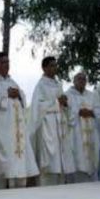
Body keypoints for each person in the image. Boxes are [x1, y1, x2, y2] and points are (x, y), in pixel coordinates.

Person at [0, 52, 39, 188]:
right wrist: (6, 93)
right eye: (3, 62)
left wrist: (19, 95)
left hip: (16, 133)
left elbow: (22, 99)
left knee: (18, 165)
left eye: (8, 62)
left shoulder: (12, 81)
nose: (7, 65)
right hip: (0, 133)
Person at [31, 56, 76, 186]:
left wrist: (65, 103)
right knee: (49, 165)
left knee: (60, 165)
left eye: (55, 65)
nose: (54, 68)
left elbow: (63, 105)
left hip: (59, 126)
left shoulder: (58, 84)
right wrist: (57, 102)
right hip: (47, 127)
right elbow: (37, 107)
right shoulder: (40, 85)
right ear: (44, 68)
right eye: (51, 65)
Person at [66, 72, 100, 183]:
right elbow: (65, 114)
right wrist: (78, 112)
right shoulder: (68, 95)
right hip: (76, 134)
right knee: (78, 159)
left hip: (91, 134)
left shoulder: (92, 95)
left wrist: (92, 112)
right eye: (79, 79)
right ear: (74, 81)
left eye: (84, 79)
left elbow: (99, 111)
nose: (82, 81)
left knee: (91, 159)